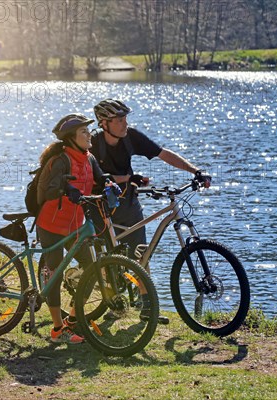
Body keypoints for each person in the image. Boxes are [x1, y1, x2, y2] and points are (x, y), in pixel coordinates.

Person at [90, 98, 212, 324]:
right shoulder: (93, 144)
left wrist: (195, 170)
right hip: (101, 206)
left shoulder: (131, 137)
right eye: (119, 120)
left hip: (128, 203)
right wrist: (128, 178)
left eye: (125, 118)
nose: (125, 123)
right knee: (108, 256)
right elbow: (95, 177)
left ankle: (147, 308)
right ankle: (112, 303)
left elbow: (163, 153)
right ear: (104, 123)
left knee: (141, 253)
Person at [36, 113, 107, 344]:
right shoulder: (61, 160)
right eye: (84, 132)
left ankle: (74, 321)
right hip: (52, 225)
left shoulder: (89, 158)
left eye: (89, 131)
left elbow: (100, 179)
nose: (89, 135)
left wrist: (114, 184)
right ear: (71, 138)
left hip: (75, 225)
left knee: (91, 269)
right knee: (55, 275)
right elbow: (49, 190)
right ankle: (57, 330)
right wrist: (67, 189)